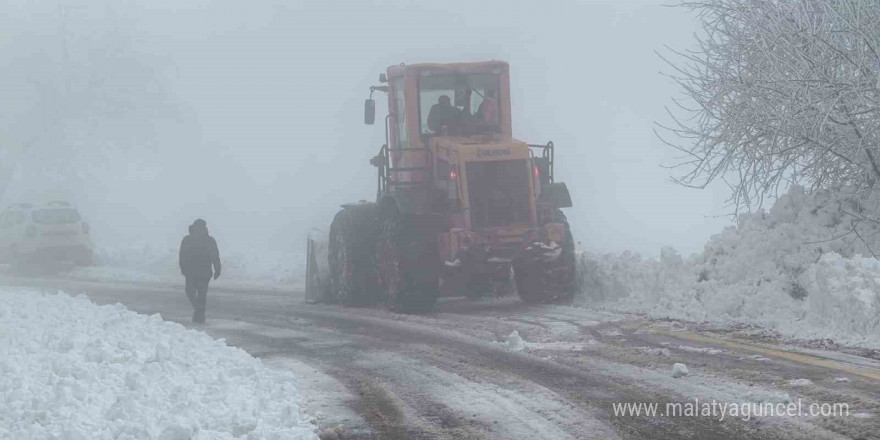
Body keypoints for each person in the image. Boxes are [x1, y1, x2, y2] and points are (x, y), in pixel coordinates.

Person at [179, 219, 221, 323]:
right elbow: (215, 256)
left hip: (194, 272)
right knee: (201, 295)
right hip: (202, 272)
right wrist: (217, 269)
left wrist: (183, 268)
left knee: (191, 292)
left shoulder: (190, 239)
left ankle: (199, 314)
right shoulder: (208, 240)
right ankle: (199, 313)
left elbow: (182, 255)